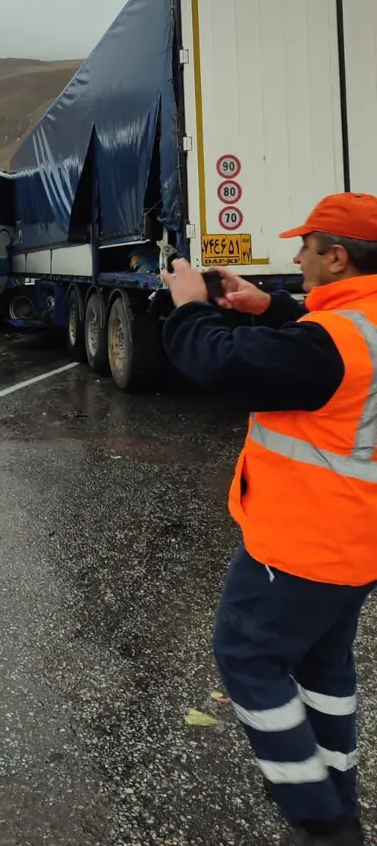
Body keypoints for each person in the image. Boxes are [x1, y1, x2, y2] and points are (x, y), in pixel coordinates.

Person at [160, 192, 377, 846]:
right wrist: (272, 306)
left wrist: (191, 305)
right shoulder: (358, 323)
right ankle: (338, 788)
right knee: (323, 669)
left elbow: (221, 361)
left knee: (247, 656)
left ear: (336, 257)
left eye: (306, 246)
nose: (296, 255)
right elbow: (320, 355)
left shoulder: (332, 344)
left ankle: (319, 816)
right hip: (355, 546)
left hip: (301, 546)